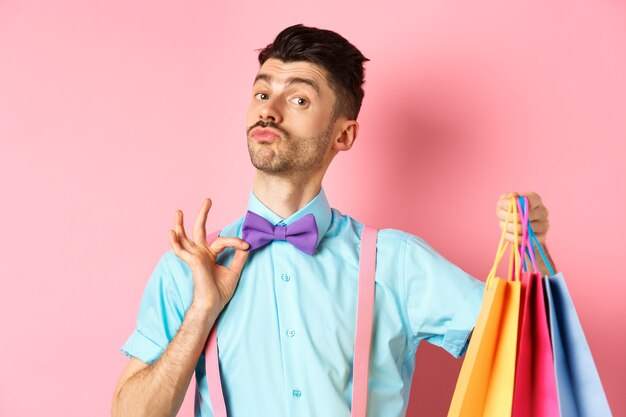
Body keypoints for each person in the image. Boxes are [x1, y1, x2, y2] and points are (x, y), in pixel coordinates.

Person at [111, 24, 553, 417]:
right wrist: (201, 311)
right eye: (262, 94)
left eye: (298, 98)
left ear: (344, 134)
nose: (269, 110)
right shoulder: (189, 268)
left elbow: (535, 350)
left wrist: (531, 247)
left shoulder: (394, 262)